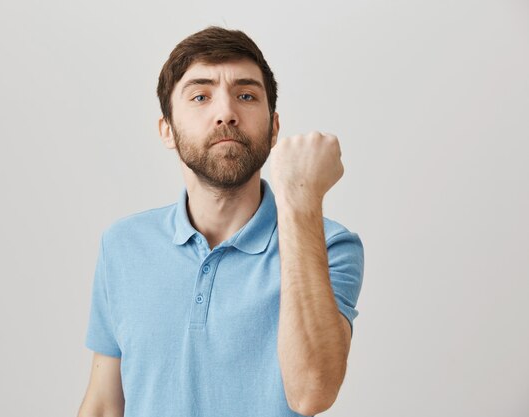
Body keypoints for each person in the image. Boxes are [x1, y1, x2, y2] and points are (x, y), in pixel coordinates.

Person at [77, 26, 364, 417]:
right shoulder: (123, 244)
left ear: (274, 127)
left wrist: (302, 199)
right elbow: (104, 404)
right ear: (167, 130)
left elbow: (312, 392)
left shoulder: (329, 244)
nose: (226, 113)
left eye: (246, 96)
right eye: (200, 96)